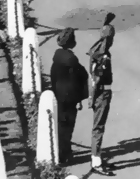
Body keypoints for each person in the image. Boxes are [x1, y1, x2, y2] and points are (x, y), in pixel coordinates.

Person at [50, 28, 88, 166]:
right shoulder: (72, 61)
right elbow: (79, 79)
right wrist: (80, 99)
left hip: (58, 96)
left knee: (61, 125)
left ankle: (62, 152)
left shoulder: (56, 57)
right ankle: (64, 154)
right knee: (68, 127)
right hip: (70, 99)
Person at [87, 13, 116, 176]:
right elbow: (95, 79)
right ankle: (96, 161)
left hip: (101, 93)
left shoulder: (96, 50)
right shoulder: (102, 56)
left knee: (98, 127)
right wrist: (93, 98)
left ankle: (96, 158)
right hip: (102, 94)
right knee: (98, 128)